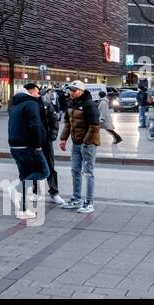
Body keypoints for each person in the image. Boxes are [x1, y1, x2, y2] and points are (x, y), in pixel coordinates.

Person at [8, 83, 50, 220]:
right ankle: (17, 188)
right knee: (44, 171)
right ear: (31, 92)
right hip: (28, 145)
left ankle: (23, 210)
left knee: (25, 175)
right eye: (37, 92)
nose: (39, 95)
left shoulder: (15, 104)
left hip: (15, 145)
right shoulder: (31, 104)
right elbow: (35, 124)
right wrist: (38, 144)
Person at [59, 80, 100, 214]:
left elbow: (94, 126)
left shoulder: (89, 104)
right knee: (75, 171)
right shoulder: (70, 103)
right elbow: (67, 123)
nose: (71, 92)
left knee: (88, 173)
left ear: (81, 91)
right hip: (76, 143)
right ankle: (76, 199)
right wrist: (63, 139)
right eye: (70, 90)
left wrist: (86, 143)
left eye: (74, 90)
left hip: (88, 144)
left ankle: (89, 202)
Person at [39, 87, 65, 205]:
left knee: (50, 166)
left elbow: (54, 121)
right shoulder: (28, 106)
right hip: (33, 141)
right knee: (34, 167)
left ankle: (54, 192)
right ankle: (35, 192)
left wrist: (52, 136)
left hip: (46, 141)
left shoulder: (46, 105)